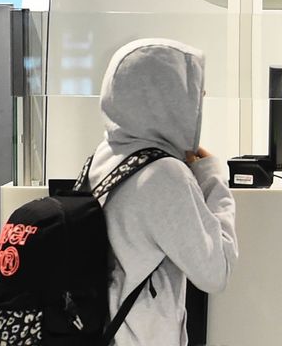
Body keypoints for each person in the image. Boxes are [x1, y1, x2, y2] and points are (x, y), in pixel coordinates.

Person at [86, 38, 238, 345]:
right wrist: (210, 177)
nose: (200, 101)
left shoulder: (107, 154)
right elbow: (215, 271)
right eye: (193, 92)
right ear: (165, 99)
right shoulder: (164, 175)